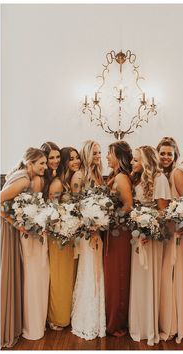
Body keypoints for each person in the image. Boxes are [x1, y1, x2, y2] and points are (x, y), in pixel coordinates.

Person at [0, 148, 47, 347]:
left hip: (12, 226)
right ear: (30, 164)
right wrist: (17, 224)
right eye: (41, 163)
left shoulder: (24, 175)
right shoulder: (25, 180)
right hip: (10, 228)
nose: (44, 167)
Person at [129, 145, 171, 345]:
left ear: (145, 162)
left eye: (135, 159)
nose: (132, 162)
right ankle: (138, 324)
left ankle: (148, 326)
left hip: (151, 238)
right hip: (139, 235)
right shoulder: (138, 178)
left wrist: (148, 229)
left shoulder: (160, 179)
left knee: (148, 278)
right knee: (138, 279)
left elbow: (163, 212)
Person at [156, 137, 183, 343]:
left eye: (169, 154)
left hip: (179, 234)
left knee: (175, 276)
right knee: (167, 277)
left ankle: (178, 324)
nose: (165, 157)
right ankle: (169, 321)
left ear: (175, 155)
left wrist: (179, 225)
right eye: (162, 153)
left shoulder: (177, 173)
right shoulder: (162, 174)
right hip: (169, 233)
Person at [71, 140, 106, 340]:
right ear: (86, 154)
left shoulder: (98, 175)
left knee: (97, 270)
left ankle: (98, 315)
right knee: (89, 270)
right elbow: (77, 207)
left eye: (100, 152)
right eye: (94, 153)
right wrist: (91, 229)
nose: (98, 156)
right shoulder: (79, 176)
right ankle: (87, 319)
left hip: (97, 230)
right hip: (87, 232)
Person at [41, 143, 76, 331]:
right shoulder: (56, 183)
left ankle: (64, 313)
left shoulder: (60, 179)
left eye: (56, 158)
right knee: (59, 276)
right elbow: (52, 209)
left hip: (67, 234)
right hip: (59, 235)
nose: (54, 161)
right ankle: (56, 317)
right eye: (51, 158)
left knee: (65, 276)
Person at [103, 141, 133, 337]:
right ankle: (111, 318)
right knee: (111, 277)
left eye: (109, 153)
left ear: (119, 156)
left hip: (119, 233)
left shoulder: (121, 177)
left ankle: (117, 323)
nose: (107, 157)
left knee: (118, 276)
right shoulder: (115, 175)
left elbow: (128, 206)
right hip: (112, 232)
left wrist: (109, 219)